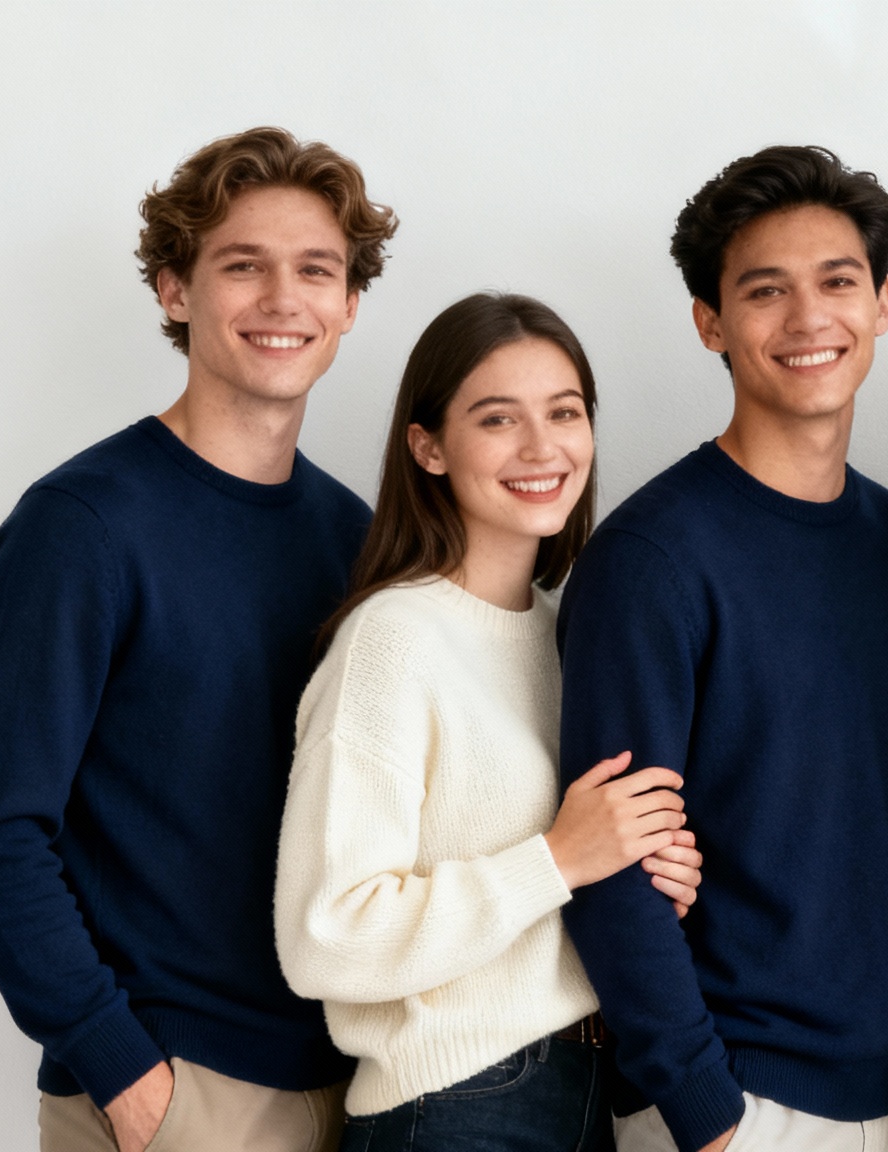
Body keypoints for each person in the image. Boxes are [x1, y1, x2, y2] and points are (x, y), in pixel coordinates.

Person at [0, 127, 397, 1152]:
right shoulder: (82, 527)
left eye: (315, 270)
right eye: (243, 265)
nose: (283, 299)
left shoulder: (355, 539)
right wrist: (129, 1078)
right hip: (176, 1095)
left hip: (353, 1089)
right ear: (173, 290)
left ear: (349, 305)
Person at [554, 145, 888, 1152]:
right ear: (710, 322)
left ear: (882, 302)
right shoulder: (651, 559)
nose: (808, 318)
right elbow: (611, 863)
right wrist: (700, 1107)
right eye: (764, 290)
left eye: (837, 281)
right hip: (736, 1096)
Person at [274, 292, 706, 1152]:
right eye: (498, 419)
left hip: (585, 1092)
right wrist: (559, 858)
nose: (542, 448)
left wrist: (645, 871)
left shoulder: (565, 635)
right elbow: (325, 938)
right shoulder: (392, 640)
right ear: (428, 447)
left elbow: (566, 875)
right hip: (455, 1105)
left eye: (565, 413)